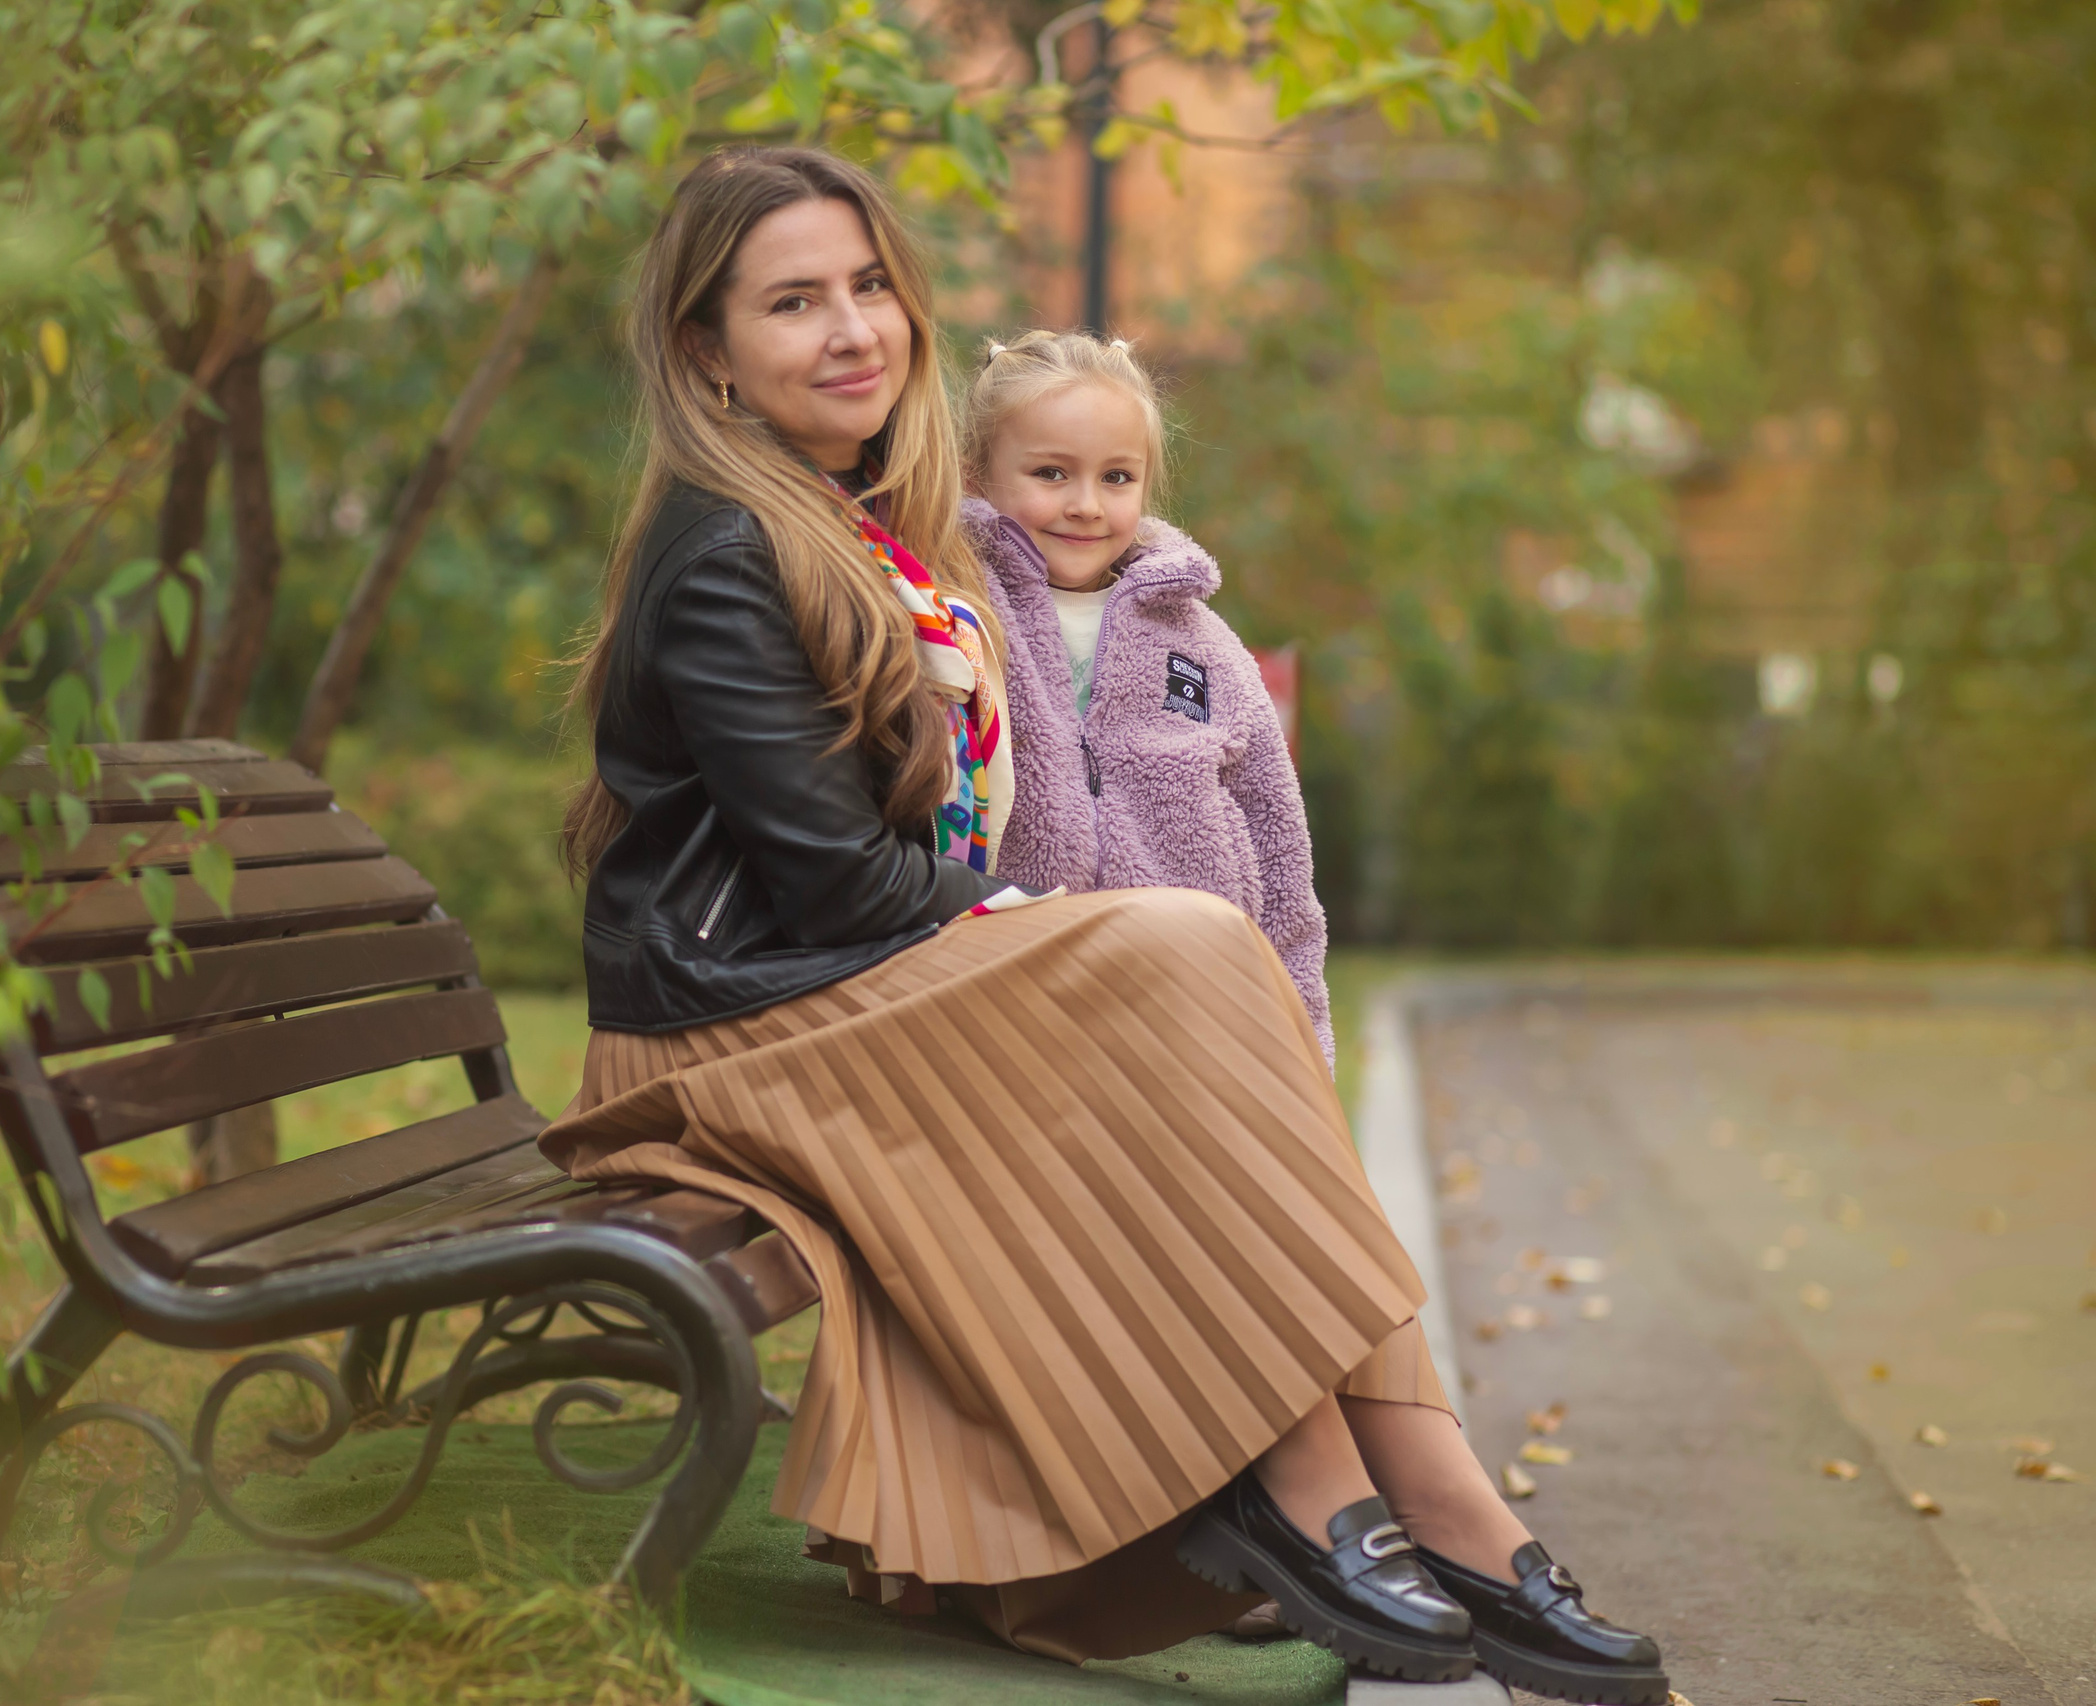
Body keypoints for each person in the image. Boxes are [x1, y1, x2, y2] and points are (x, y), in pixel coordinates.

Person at [542, 144, 1667, 1705]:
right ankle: (1363, 1482)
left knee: (1191, 957)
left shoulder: (853, 515)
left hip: (823, 989)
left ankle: (1387, 1486)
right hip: (723, 1032)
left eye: (870, 285)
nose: (854, 327)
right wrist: (1050, 936)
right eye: (793, 301)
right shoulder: (727, 545)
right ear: (703, 350)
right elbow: (840, 883)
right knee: (1186, 949)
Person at [957, 329, 1334, 1068]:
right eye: (1051, 473)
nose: (1087, 505)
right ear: (976, 473)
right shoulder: (957, 617)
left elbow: (1281, 855)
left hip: (1186, 1018)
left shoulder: (1202, 646)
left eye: (1117, 478)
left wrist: (1305, 1050)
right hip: (1011, 1015)